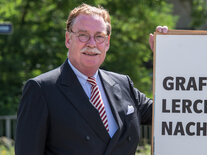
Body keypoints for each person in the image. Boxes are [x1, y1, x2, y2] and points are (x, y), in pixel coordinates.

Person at [15, 3, 167, 155]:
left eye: (99, 36)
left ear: (107, 42)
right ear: (68, 39)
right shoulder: (42, 89)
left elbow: (170, 111)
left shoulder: (123, 84)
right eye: (83, 35)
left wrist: (168, 54)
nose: (92, 43)